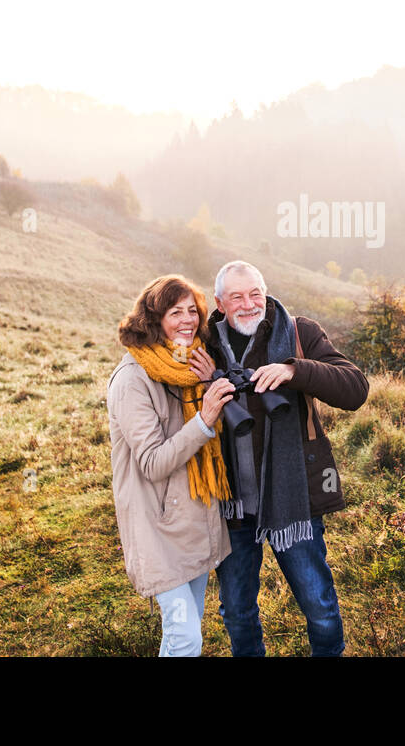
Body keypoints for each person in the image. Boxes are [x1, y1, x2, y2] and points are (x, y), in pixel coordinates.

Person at [185, 260, 369, 656]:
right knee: (236, 611)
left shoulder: (299, 333)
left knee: (318, 605)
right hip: (231, 503)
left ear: (265, 292)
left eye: (256, 293)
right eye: (236, 296)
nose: (249, 304)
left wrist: (294, 371)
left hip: (293, 496)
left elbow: (355, 389)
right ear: (219, 303)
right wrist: (206, 383)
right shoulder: (205, 346)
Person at [106, 274, 238, 656]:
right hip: (157, 525)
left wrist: (209, 381)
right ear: (153, 319)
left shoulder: (192, 366)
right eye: (174, 311)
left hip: (194, 518)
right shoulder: (132, 379)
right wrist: (205, 420)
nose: (187, 320)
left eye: (192, 311)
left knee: (183, 630)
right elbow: (151, 462)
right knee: (185, 637)